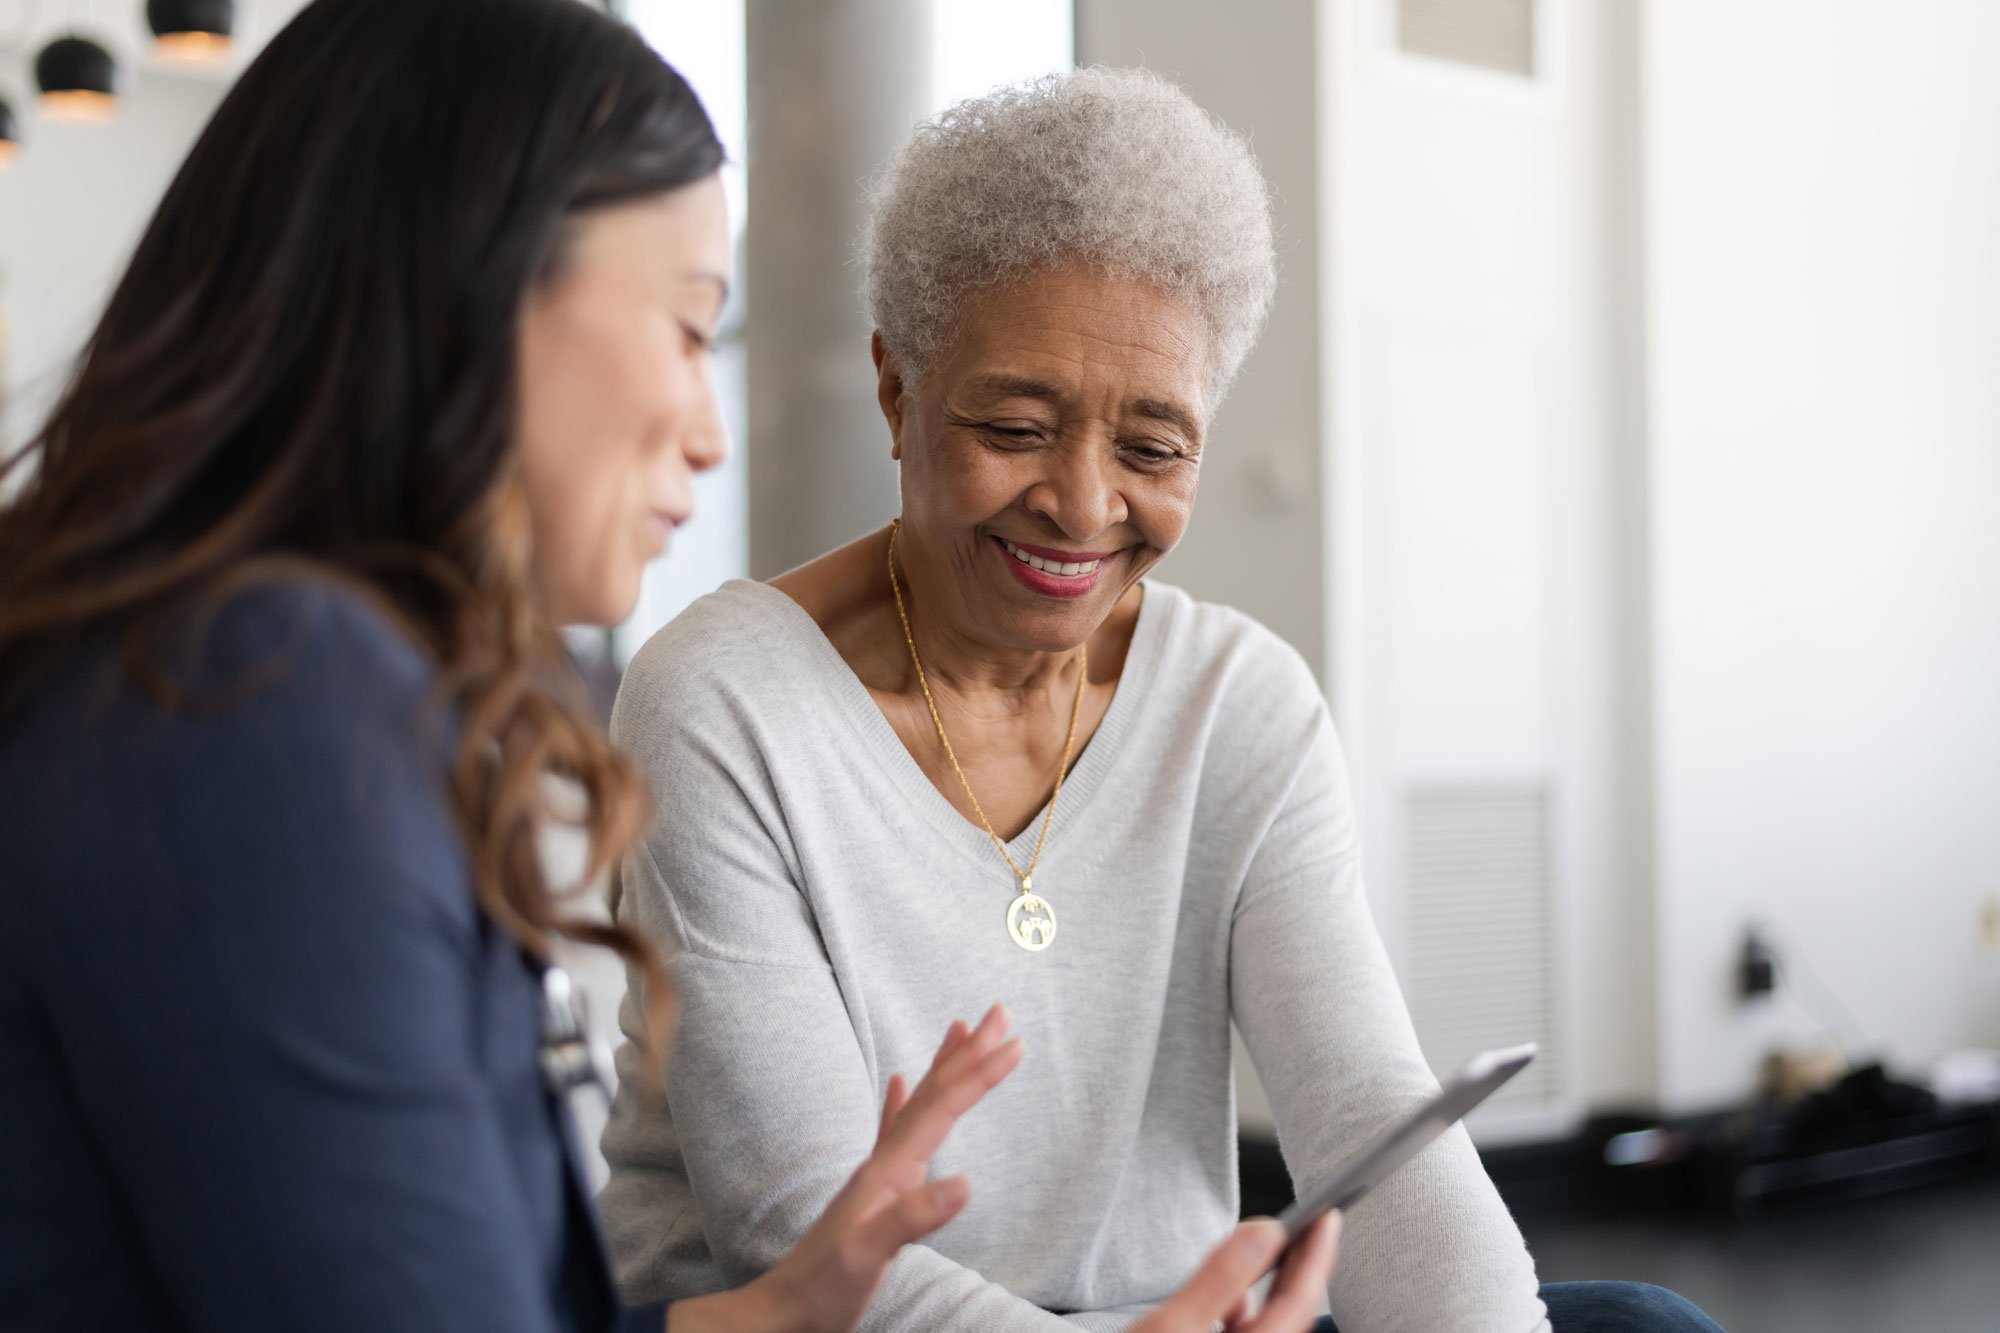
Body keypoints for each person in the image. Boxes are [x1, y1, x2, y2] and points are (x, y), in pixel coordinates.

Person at [599, 69, 1725, 1333]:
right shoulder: (725, 701)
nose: (1083, 508)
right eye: (1015, 427)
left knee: (1638, 1325)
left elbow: (1367, 1111)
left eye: (1150, 449)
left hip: (1173, 1318)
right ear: (896, 388)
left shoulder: (1238, 703)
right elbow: (803, 1235)